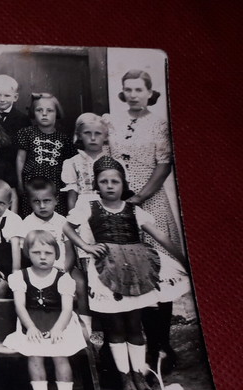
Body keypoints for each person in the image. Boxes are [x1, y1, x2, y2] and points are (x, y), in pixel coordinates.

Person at [66, 156, 189, 390]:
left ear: (124, 183)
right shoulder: (88, 206)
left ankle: (139, 375)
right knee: (116, 327)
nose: (110, 186)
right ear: (96, 185)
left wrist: (185, 260)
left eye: (115, 181)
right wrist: (87, 247)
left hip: (135, 271)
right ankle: (125, 378)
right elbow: (67, 228)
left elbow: (162, 237)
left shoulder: (135, 210)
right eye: (104, 181)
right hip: (107, 270)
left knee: (135, 325)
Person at [105, 70, 182, 371]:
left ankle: (161, 346)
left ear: (150, 92)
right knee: (128, 268)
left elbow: (164, 165)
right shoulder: (112, 121)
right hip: (119, 201)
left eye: (139, 89)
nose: (134, 94)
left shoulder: (160, 124)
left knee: (158, 271)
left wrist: (137, 198)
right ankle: (128, 346)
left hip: (151, 202)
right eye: (128, 89)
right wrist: (119, 198)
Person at [2, 231, 86, 390]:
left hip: (59, 321)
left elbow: (67, 309)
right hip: (31, 321)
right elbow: (20, 306)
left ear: (56, 254)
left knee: (60, 355)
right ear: (27, 254)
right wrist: (30, 327)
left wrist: (58, 329)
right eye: (36, 252)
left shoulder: (63, 278)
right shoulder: (20, 277)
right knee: (35, 355)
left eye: (47, 253)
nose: (42, 257)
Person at [21, 177, 90, 332]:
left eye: (47, 200)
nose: (42, 206)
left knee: (80, 282)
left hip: (65, 266)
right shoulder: (27, 223)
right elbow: (26, 252)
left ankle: (87, 325)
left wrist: (65, 270)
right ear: (30, 202)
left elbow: (70, 250)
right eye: (36, 202)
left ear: (56, 200)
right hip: (40, 267)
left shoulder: (63, 222)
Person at [16, 93, 76, 217]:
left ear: (57, 113)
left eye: (50, 110)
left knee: (55, 215)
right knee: (31, 214)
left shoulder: (63, 138)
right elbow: (20, 159)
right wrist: (20, 183)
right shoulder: (26, 133)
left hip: (55, 184)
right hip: (31, 182)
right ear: (33, 112)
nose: (44, 114)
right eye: (39, 110)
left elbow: (70, 164)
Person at [62, 113, 110, 211]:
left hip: (108, 209)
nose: (92, 138)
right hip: (83, 211)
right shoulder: (73, 163)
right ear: (79, 135)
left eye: (98, 133)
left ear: (105, 136)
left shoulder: (113, 161)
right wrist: (73, 217)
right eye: (87, 133)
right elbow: (72, 195)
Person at [0, 74, 31, 164]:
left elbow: (26, 148)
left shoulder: (23, 119)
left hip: (13, 165)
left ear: (15, 97)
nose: (2, 99)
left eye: (7, 96)